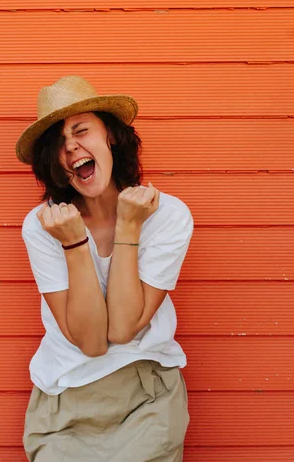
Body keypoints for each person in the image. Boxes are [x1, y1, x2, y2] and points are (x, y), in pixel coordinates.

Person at [16, 75, 194, 461]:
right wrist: (74, 242)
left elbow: (123, 328)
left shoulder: (169, 216)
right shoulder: (42, 225)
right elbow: (93, 342)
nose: (71, 147)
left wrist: (129, 226)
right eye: (57, 143)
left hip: (146, 395)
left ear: (111, 137)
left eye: (81, 130)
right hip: (64, 400)